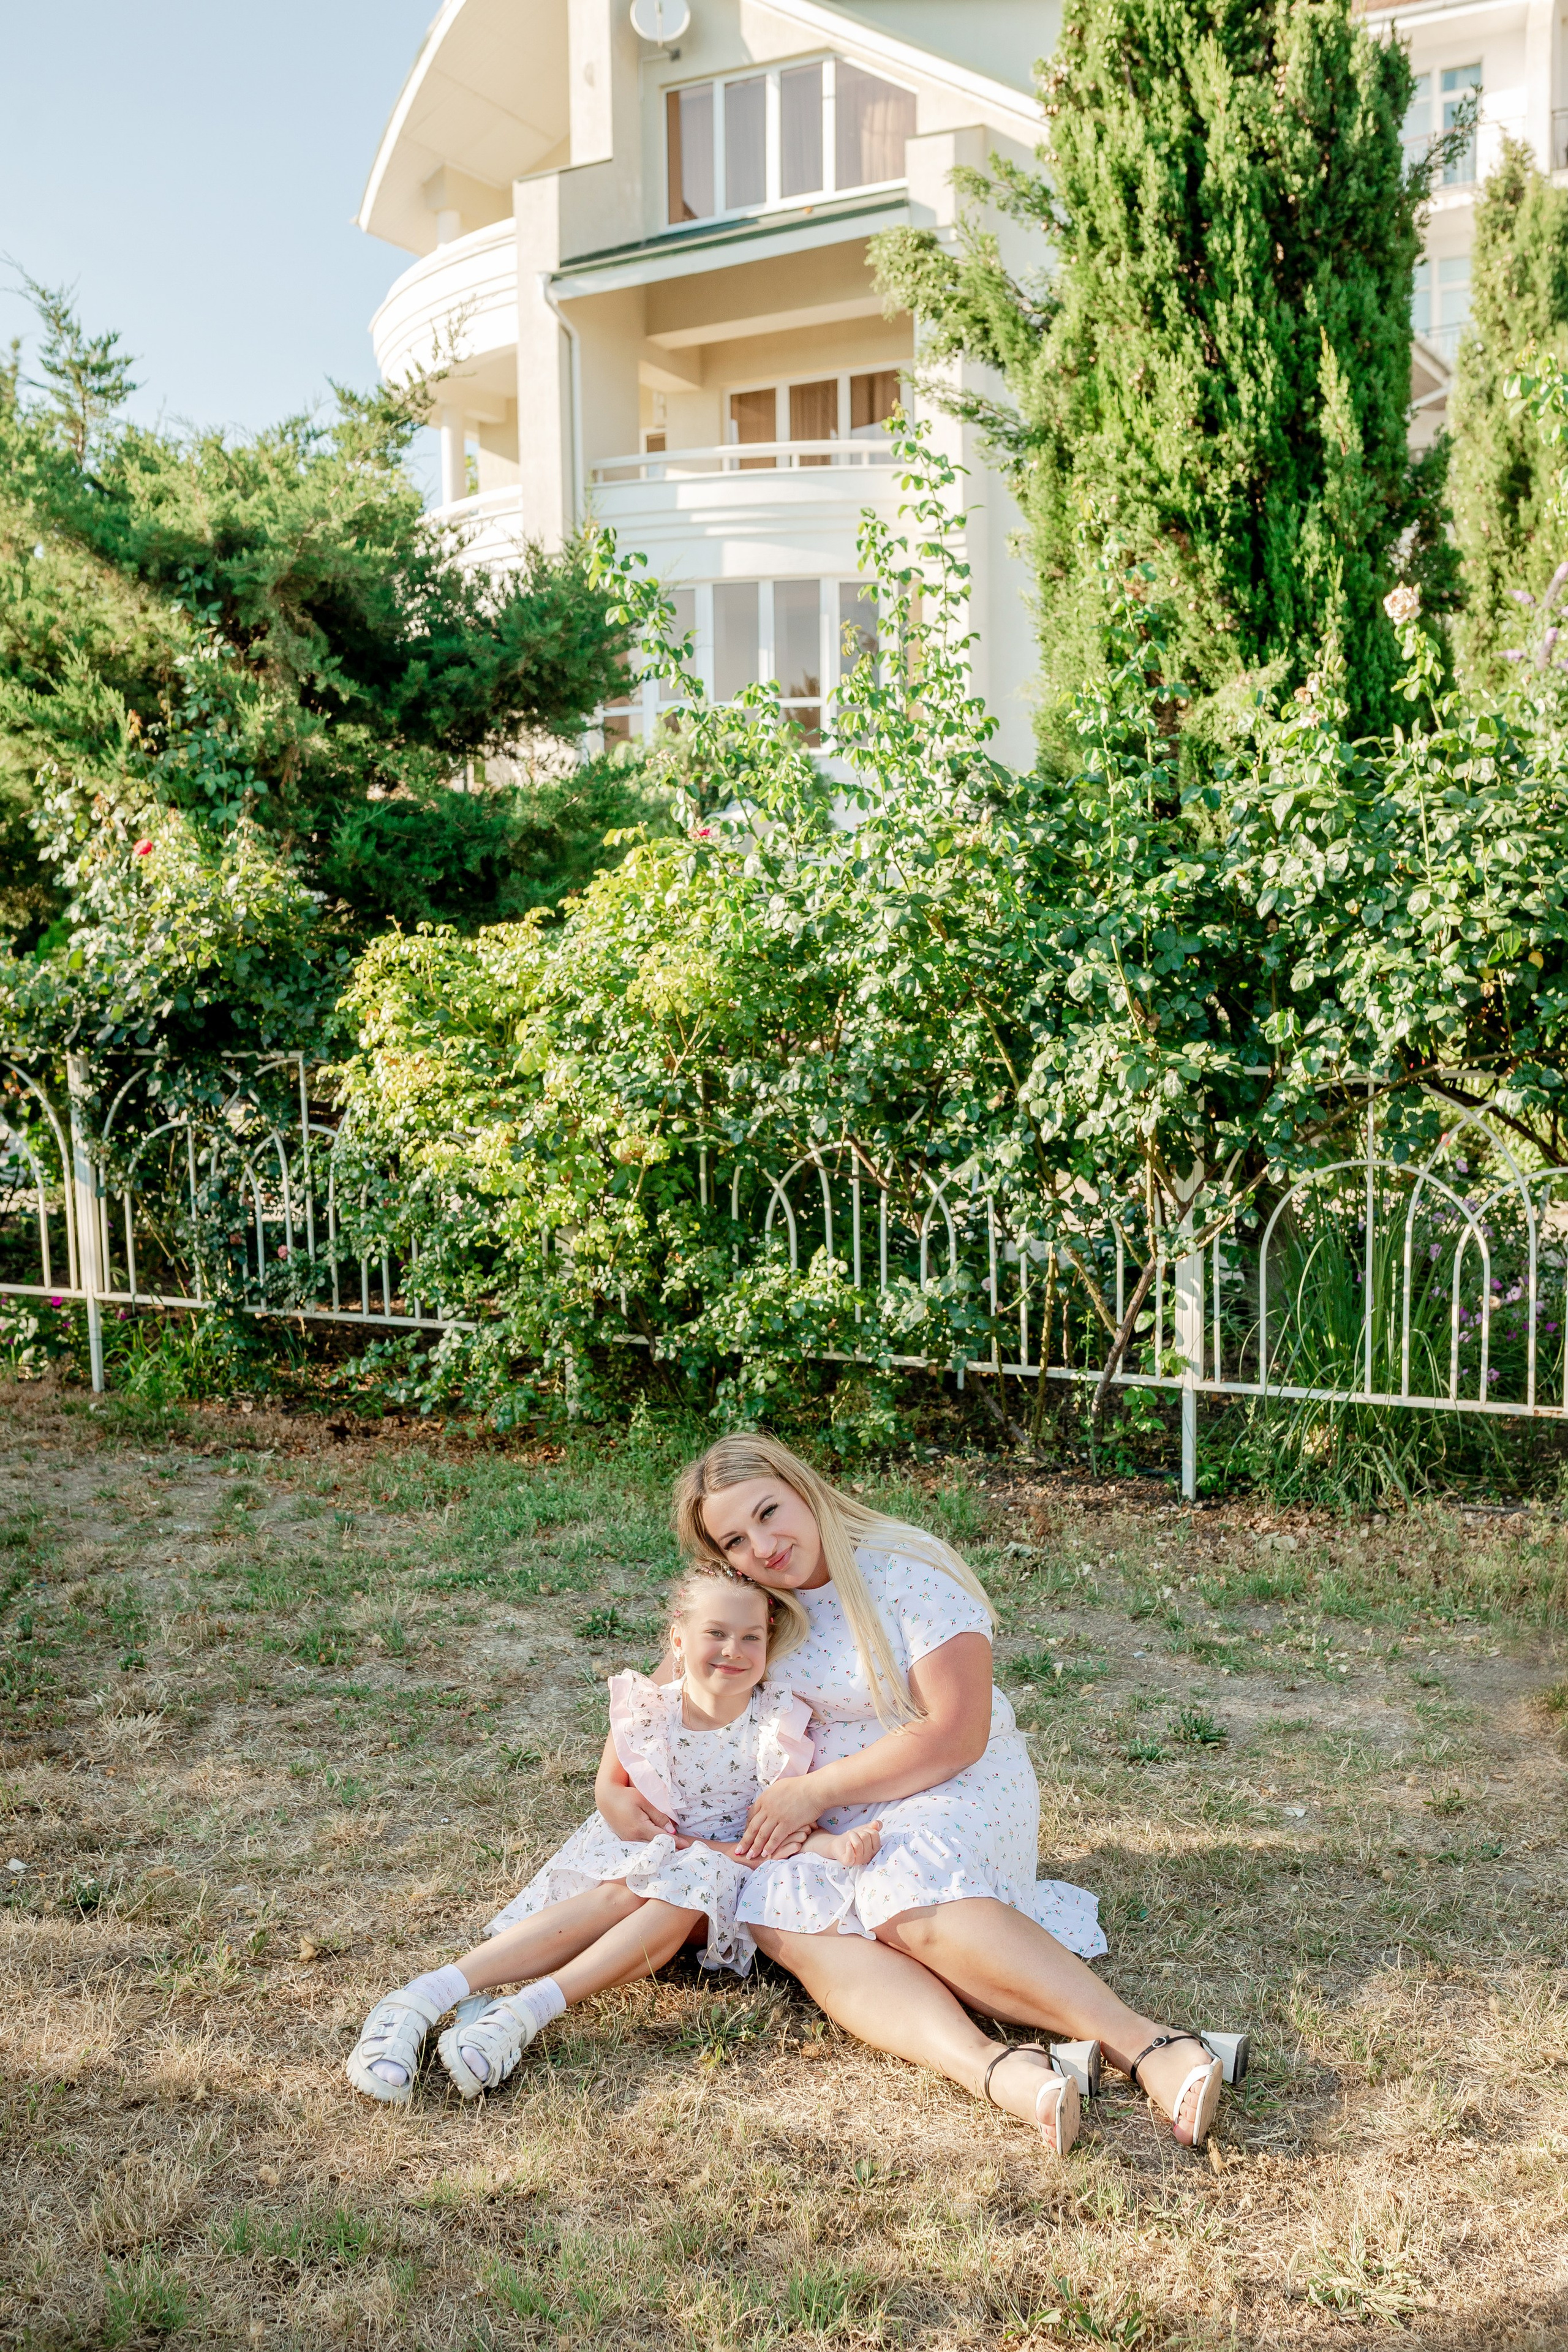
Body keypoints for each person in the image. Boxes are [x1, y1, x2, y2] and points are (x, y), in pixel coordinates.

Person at [594, 1434, 1243, 2154]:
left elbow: (956, 1733)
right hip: (830, 1818)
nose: (764, 1547)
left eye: (769, 1513)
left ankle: (1148, 2045)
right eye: (735, 1541)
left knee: (903, 1886)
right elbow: (671, 1680)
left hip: (952, 1784)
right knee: (784, 1910)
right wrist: (608, 1784)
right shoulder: (757, 1594)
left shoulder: (906, 1569)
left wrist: (810, 1793)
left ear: (803, 1488)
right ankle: (994, 2068)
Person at [345, 1565, 880, 2107]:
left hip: (714, 1881)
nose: (732, 1650)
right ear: (678, 1639)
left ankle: (521, 2014)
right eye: (716, 1633)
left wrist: (836, 1846)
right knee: (629, 1888)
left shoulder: (775, 1727)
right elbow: (617, 1793)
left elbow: (783, 1837)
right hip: (640, 1860)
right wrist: (649, 1831)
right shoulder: (650, 1709)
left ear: (768, 1641)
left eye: (751, 1637)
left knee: (690, 1876)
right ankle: (418, 2000)